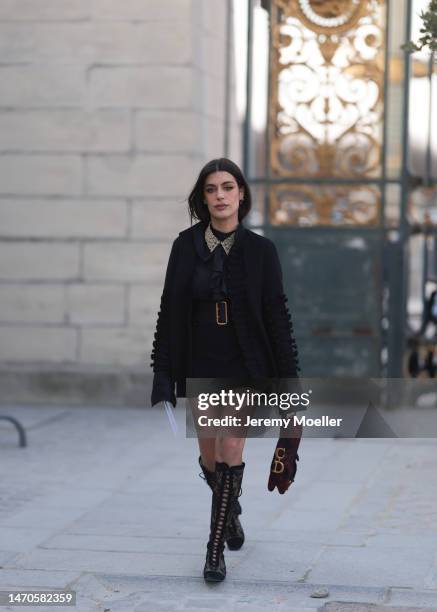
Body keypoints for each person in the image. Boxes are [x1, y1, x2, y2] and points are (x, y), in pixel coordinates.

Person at [150, 158, 302, 582]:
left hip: (244, 363)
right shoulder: (184, 247)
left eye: (227, 187)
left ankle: (213, 552)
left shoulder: (261, 252)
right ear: (203, 197)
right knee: (209, 456)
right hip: (201, 360)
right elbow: (169, 312)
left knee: (231, 450)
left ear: (241, 195)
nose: (219, 195)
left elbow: (277, 317)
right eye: (211, 189)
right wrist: (162, 373)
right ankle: (229, 514)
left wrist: (290, 384)